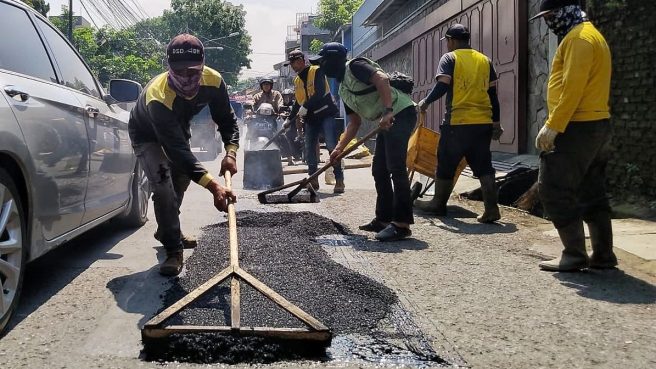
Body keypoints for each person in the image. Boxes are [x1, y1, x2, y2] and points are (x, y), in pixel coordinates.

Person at [128, 33, 239, 276]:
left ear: (203, 66)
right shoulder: (158, 96)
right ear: (169, 68)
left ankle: (169, 228)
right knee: (163, 185)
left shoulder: (214, 81)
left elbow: (227, 119)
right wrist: (214, 187)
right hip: (146, 133)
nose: (186, 78)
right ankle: (173, 250)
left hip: (178, 127)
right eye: (180, 72)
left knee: (181, 179)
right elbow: (177, 152)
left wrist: (230, 153)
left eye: (193, 72)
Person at [530, 0, 615, 271]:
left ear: (565, 11)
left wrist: (553, 125)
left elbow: (573, 87)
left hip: (576, 126)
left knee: (553, 188)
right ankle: (603, 255)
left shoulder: (579, 39)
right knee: (592, 190)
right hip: (596, 124)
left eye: (551, 15)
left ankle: (574, 253)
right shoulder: (590, 35)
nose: (548, 21)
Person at [316, 42, 416, 242]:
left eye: (323, 62)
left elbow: (382, 79)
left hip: (400, 113)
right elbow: (354, 123)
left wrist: (388, 111)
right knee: (379, 170)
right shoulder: (343, 89)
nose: (322, 67)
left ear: (334, 59)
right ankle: (384, 218)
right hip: (387, 120)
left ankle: (402, 224)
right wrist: (337, 149)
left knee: (396, 167)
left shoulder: (355, 66)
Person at [414, 24, 503, 223]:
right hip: (483, 123)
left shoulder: (450, 58)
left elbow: (442, 85)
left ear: (451, 40)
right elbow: (493, 96)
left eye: (447, 41)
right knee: (484, 165)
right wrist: (496, 123)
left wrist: (425, 102)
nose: (447, 45)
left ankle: (437, 204)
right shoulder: (485, 60)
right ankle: (492, 209)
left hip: (457, 122)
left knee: (445, 163)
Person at [284, 49, 344, 193]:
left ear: (302, 61)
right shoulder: (297, 80)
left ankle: (339, 180)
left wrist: (306, 106)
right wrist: (289, 119)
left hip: (326, 113)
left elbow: (319, 92)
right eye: (291, 63)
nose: (293, 66)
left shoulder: (316, 71)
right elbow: (298, 102)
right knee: (309, 148)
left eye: (295, 62)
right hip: (311, 118)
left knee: (331, 145)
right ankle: (313, 180)